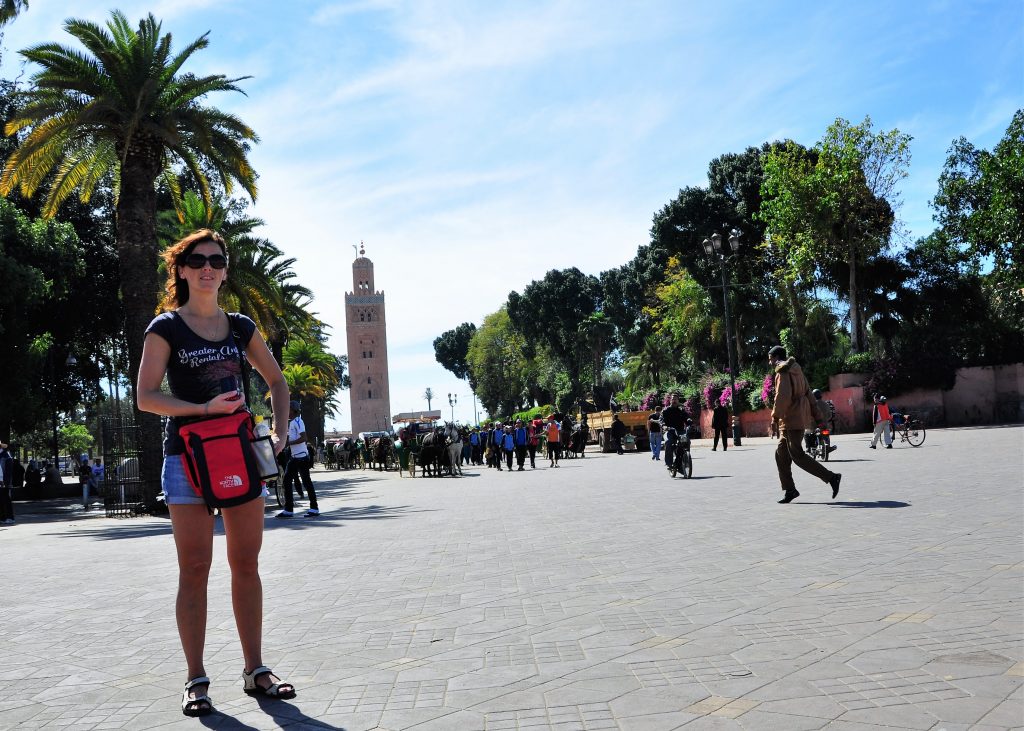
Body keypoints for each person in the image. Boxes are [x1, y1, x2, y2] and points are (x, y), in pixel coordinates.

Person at [137, 229, 296, 717]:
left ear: (225, 271)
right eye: (197, 260)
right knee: (194, 569)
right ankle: (196, 678)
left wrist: (280, 432)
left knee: (246, 564)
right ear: (182, 270)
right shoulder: (165, 327)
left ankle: (255, 669)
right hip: (185, 459)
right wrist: (203, 407)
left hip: (239, 455)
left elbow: (276, 380)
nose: (207, 267)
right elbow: (146, 397)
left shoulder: (241, 327)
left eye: (216, 260)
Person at [768, 345, 842, 504]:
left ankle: (832, 477)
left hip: (791, 419)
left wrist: (774, 418)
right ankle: (790, 490)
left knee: (797, 455)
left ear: (776, 358)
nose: (770, 363)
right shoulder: (797, 370)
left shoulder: (783, 371)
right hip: (795, 419)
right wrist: (820, 419)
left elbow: (782, 397)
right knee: (780, 454)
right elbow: (810, 395)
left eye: (770, 359)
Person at [278, 401, 320, 518]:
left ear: (294, 410)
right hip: (296, 456)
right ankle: (291, 509)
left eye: (289, 410)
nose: (287, 412)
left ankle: (312, 508)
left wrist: (289, 443)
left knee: (303, 482)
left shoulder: (298, 421)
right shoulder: (292, 423)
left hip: (301, 457)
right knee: (289, 481)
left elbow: (304, 438)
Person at [660, 395, 687, 470]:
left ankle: (685, 459)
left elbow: (686, 417)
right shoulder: (666, 410)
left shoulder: (681, 410)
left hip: (680, 431)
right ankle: (669, 463)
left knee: (686, 441)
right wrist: (664, 426)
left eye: (676, 399)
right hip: (669, 431)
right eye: (673, 399)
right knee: (668, 442)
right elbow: (661, 420)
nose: (674, 401)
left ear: (678, 400)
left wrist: (689, 421)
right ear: (670, 400)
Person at [0, 443, 12, 524]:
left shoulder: (6, 456)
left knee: (5, 499)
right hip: (2, 480)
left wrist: (5, 482)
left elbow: (8, 471)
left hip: (3, 481)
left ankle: (9, 517)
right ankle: (3, 517)